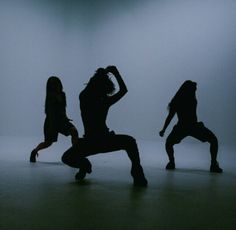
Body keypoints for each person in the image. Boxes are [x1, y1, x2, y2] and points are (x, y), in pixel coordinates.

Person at [62, 66, 148, 187]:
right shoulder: (104, 101)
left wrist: (101, 73)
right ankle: (137, 172)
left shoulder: (84, 98)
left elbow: (92, 87)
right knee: (130, 142)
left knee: (66, 158)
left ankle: (84, 165)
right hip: (104, 140)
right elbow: (123, 90)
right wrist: (115, 73)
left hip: (91, 141)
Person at [159, 80, 223, 173]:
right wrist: (163, 129)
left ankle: (172, 162)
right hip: (190, 126)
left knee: (169, 143)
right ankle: (213, 164)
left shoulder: (180, 99)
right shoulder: (185, 99)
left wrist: (163, 130)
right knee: (213, 140)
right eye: (194, 89)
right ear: (189, 90)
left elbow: (170, 117)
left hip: (186, 126)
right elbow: (170, 117)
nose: (195, 91)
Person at [30, 76, 79, 162]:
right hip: (51, 122)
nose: (55, 86)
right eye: (52, 84)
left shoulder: (62, 94)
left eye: (56, 83)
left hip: (62, 120)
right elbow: (50, 112)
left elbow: (63, 108)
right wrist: (53, 125)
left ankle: (74, 154)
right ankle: (35, 151)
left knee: (74, 131)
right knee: (48, 143)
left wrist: (66, 118)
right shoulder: (50, 97)